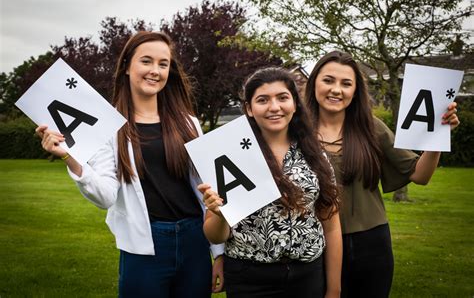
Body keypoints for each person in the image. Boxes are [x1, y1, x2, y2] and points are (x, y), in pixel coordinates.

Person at [35, 31, 224, 298]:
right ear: (126, 67)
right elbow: (105, 196)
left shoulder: (188, 123)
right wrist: (69, 156)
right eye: (146, 61)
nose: (155, 71)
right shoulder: (108, 128)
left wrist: (218, 254)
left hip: (195, 239)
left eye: (163, 63)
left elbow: (210, 192)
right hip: (143, 245)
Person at [304, 50, 460, 298]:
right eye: (328, 80)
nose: (336, 89)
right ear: (314, 84)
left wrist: (438, 137)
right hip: (314, 246)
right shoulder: (296, 134)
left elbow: (420, 175)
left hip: (371, 244)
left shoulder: (372, 128)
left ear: (355, 91)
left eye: (346, 83)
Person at [199, 67, 342, 298]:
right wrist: (218, 212)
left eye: (282, 98)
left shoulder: (315, 155)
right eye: (263, 100)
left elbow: (332, 225)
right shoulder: (228, 154)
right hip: (249, 278)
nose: (274, 107)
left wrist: (334, 289)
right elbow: (215, 236)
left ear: (294, 104)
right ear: (249, 109)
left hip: (308, 275)